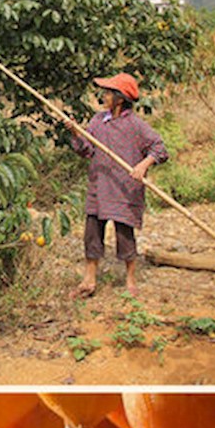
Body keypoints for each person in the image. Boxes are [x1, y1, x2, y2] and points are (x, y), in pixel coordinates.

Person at [70, 72, 168, 297]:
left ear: (120, 99)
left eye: (108, 93)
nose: (103, 97)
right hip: (99, 186)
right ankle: (89, 279)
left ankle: (130, 279)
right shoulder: (97, 121)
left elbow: (160, 149)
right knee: (92, 234)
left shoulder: (135, 125)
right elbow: (86, 150)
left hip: (124, 189)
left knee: (125, 235)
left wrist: (143, 165)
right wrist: (76, 133)